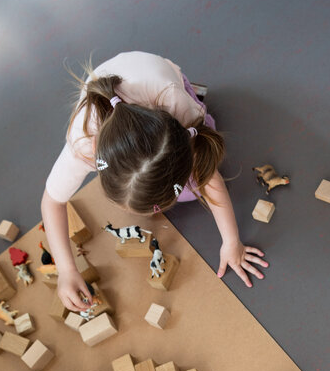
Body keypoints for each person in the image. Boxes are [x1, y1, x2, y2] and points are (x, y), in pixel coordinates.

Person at [41, 51, 268, 311]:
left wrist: (231, 242)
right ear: (96, 152)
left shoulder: (174, 104)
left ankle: (196, 101)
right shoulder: (81, 146)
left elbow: (209, 177)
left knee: (194, 185)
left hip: (167, 80)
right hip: (130, 87)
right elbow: (51, 202)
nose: (156, 212)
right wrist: (66, 270)